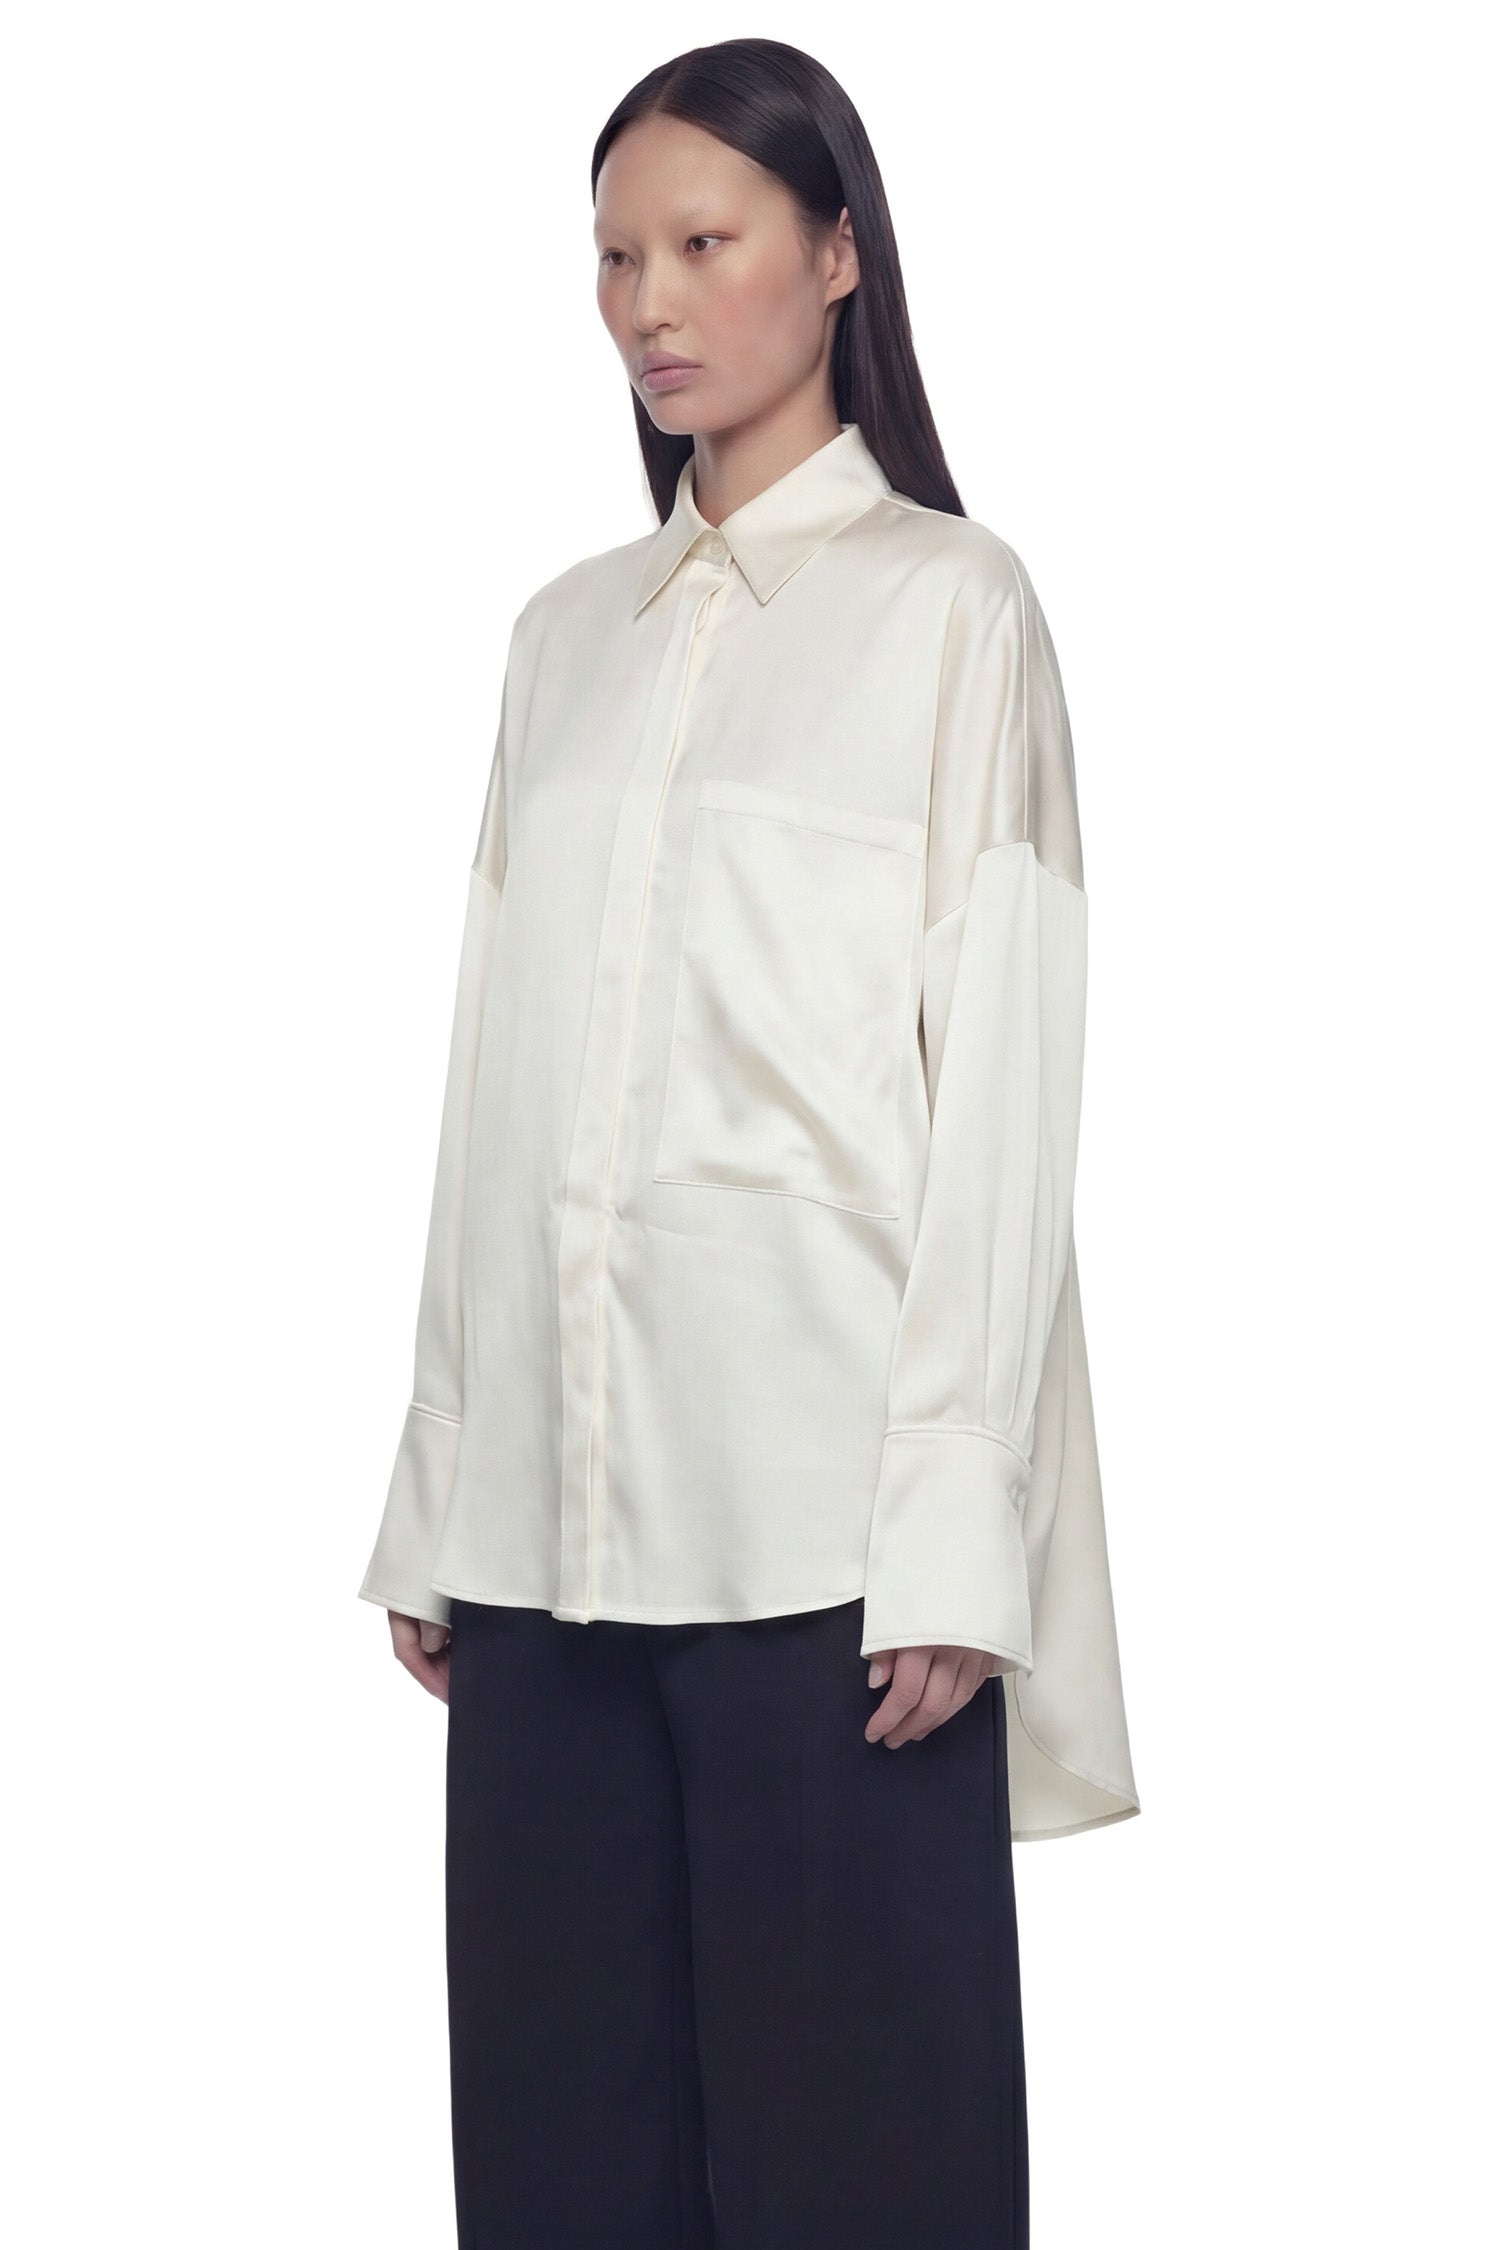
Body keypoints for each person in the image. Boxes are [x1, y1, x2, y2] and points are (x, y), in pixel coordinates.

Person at [358, 35, 1140, 2250]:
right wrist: (439, 1480)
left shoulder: (954, 609)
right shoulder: (562, 644)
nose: (651, 304)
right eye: (616, 258)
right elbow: (492, 1080)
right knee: (559, 2178)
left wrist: (958, 1532)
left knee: (865, 2180)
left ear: (839, 254)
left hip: (830, 1559)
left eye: (704, 244)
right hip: (544, 1544)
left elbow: (1002, 1089)